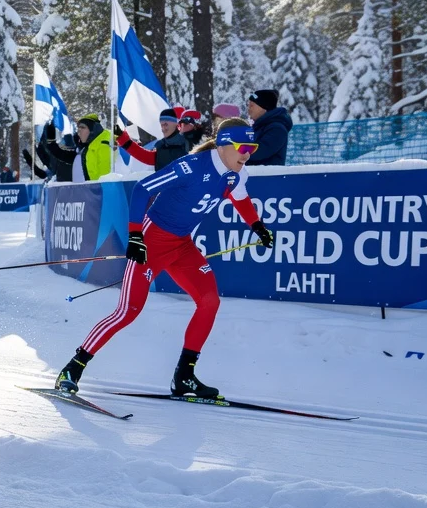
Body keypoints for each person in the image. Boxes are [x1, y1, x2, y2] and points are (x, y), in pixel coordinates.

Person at [55, 118, 274, 399]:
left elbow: (241, 199)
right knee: (128, 311)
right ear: (223, 145)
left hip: (182, 245)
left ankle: (184, 376)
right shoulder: (191, 167)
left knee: (209, 301)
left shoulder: (236, 174)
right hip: (152, 242)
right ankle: (73, 368)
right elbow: (143, 188)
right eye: (243, 147)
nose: (247, 154)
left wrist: (257, 227)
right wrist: (135, 236)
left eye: (252, 148)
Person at [114, 108, 190, 173]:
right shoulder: (163, 147)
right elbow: (145, 156)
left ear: (175, 124)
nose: (163, 129)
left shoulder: (187, 142)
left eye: (166, 124)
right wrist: (123, 138)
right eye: (162, 125)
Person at [246, 89, 291, 166]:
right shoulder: (258, 127)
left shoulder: (277, 129)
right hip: (255, 175)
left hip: (268, 176)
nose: (249, 109)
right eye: (248, 105)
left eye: (252, 105)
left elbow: (260, 152)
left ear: (263, 107)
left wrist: (235, 150)